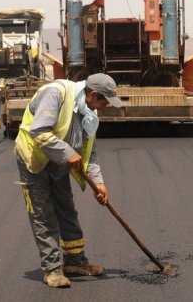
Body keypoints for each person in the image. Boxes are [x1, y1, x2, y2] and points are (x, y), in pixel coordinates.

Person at [15, 73, 122, 288]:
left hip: (58, 162)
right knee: (43, 213)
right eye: (104, 101)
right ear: (92, 94)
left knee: (67, 209)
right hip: (33, 159)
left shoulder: (89, 114)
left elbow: (89, 153)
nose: (105, 106)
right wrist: (67, 153)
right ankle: (52, 269)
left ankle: (75, 261)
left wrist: (98, 182)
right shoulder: (56, 93)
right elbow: (39, 130)